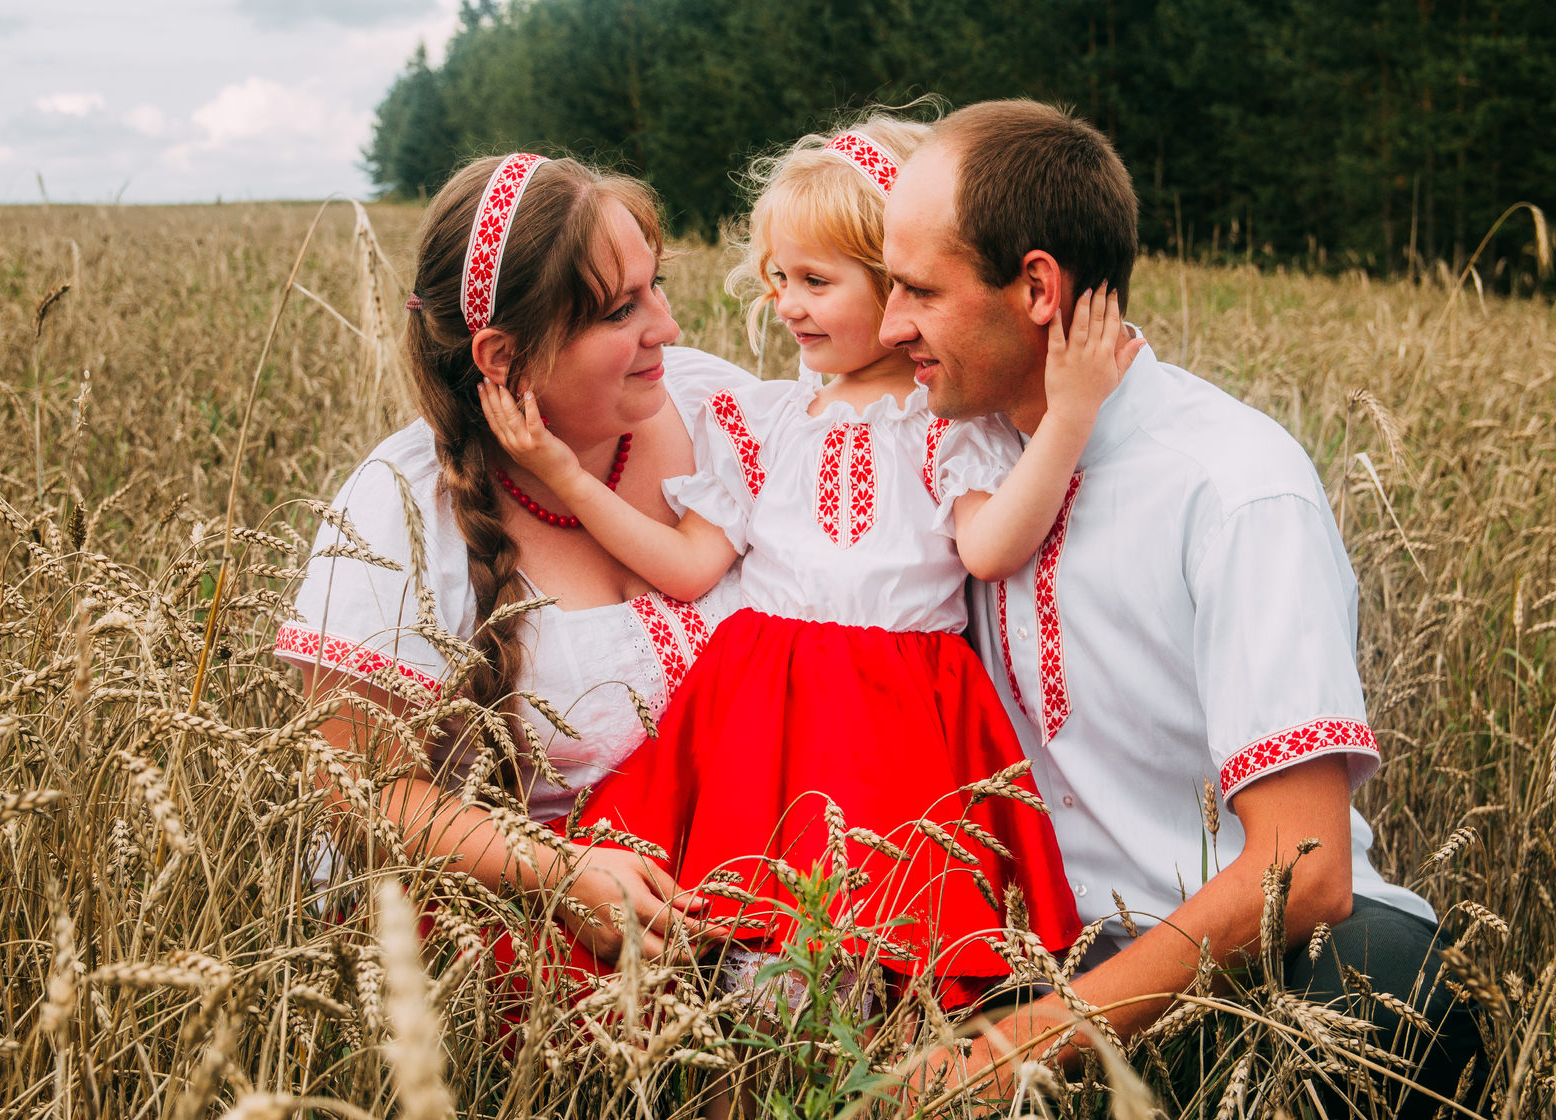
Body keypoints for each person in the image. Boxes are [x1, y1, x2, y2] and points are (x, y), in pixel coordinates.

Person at [879, 98, 1477, 1114]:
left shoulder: (1234, 485)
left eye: (919, 291)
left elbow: (1308, 862)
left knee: (1387, 999)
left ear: (1036, 287)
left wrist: (1030, 1040)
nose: (893, 329)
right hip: (1038, 955)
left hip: (1250, 965)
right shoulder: (952, 463)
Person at [480, 115, 1142, 1010]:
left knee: (872, 950)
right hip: (761, 706)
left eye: (817, 282)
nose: (788, 304)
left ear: (894, 288)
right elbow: (686, 565)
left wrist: (1068, 418)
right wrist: (564, 474)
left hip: (891, 719)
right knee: (732, 935)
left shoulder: (944, 424)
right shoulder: (765, 422)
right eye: (780, 279)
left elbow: (989, 547)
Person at [275, 152, 752, 969]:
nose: (666, 328)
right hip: (527, 941)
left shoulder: (725, 413)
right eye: (618, 311)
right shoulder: (403, 510)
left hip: (753, 892)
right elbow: (359, 793)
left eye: (656, 285)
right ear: (503, 357)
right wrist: (559, 875)